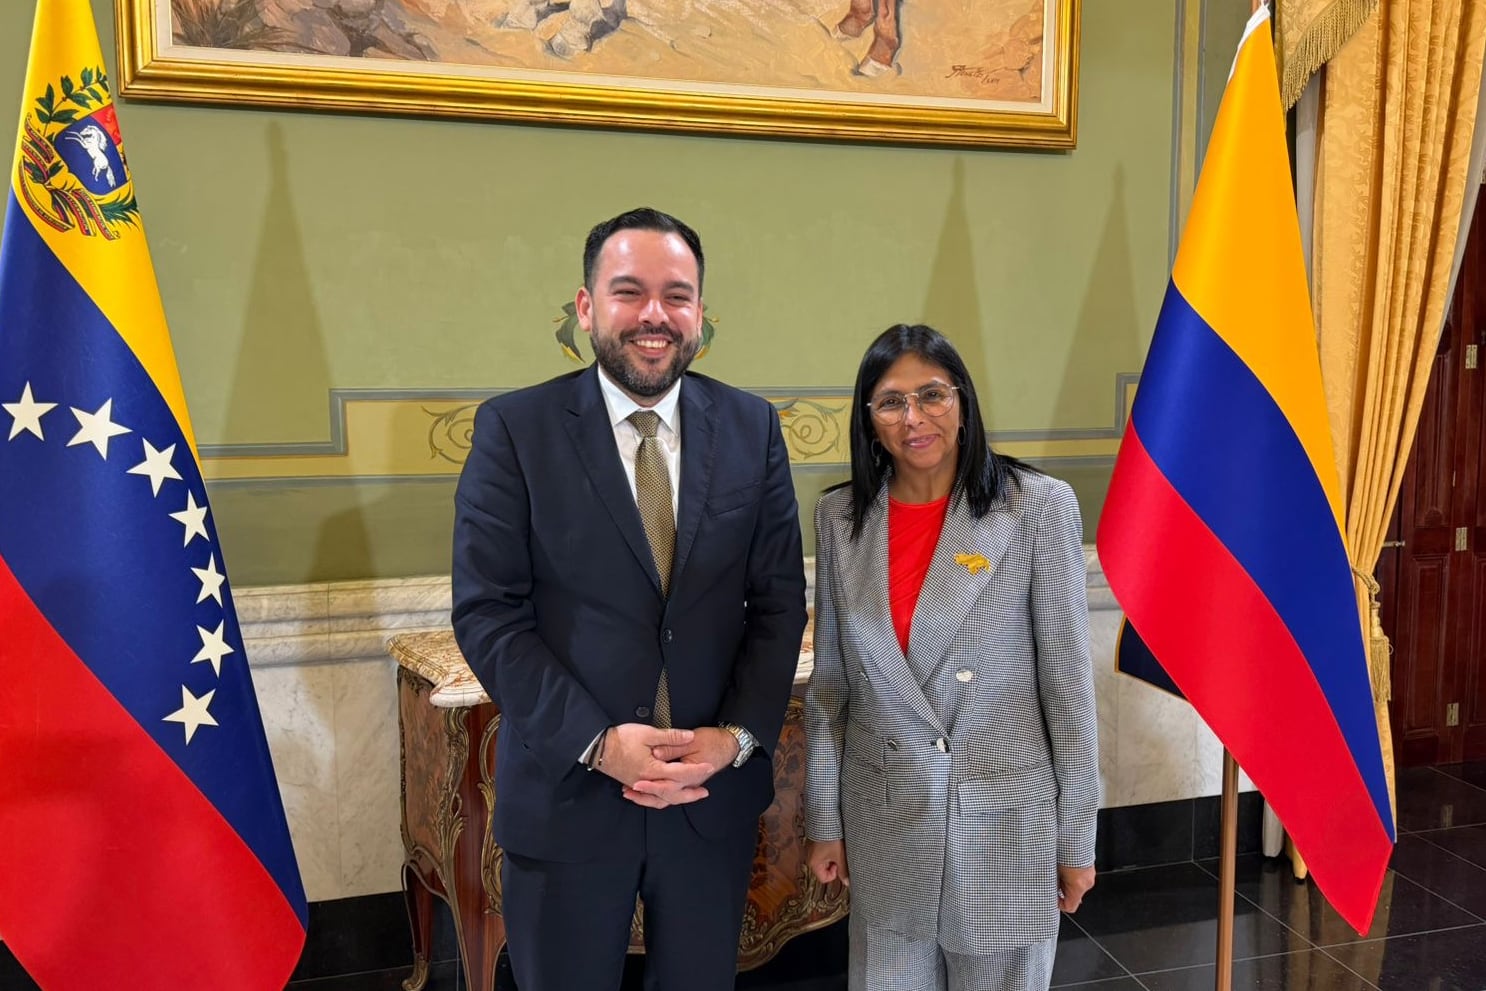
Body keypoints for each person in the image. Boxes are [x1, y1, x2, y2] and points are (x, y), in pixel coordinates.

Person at [451, 207, 807, 990]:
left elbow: (780, 600)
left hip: (708, 799)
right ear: (586, 308)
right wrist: (599, 742)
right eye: (629, 291)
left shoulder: (752, 428)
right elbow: (489, 612)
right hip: (570, 792)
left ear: (701, 313)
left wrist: (735, 735)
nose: (655, 314)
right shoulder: (516, 430)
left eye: (677, 295)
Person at [804, 324, 1098, 991]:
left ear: (963, 401)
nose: (915, 418)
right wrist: (825, 819)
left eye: (932, 394)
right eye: (891, 401)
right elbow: (830, 690)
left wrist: (1077, 837)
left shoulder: (1036, 508)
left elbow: (1068, 689)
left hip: (1004, 822)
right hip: (886, 823)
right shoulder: (841, 517)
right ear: (868, 418)